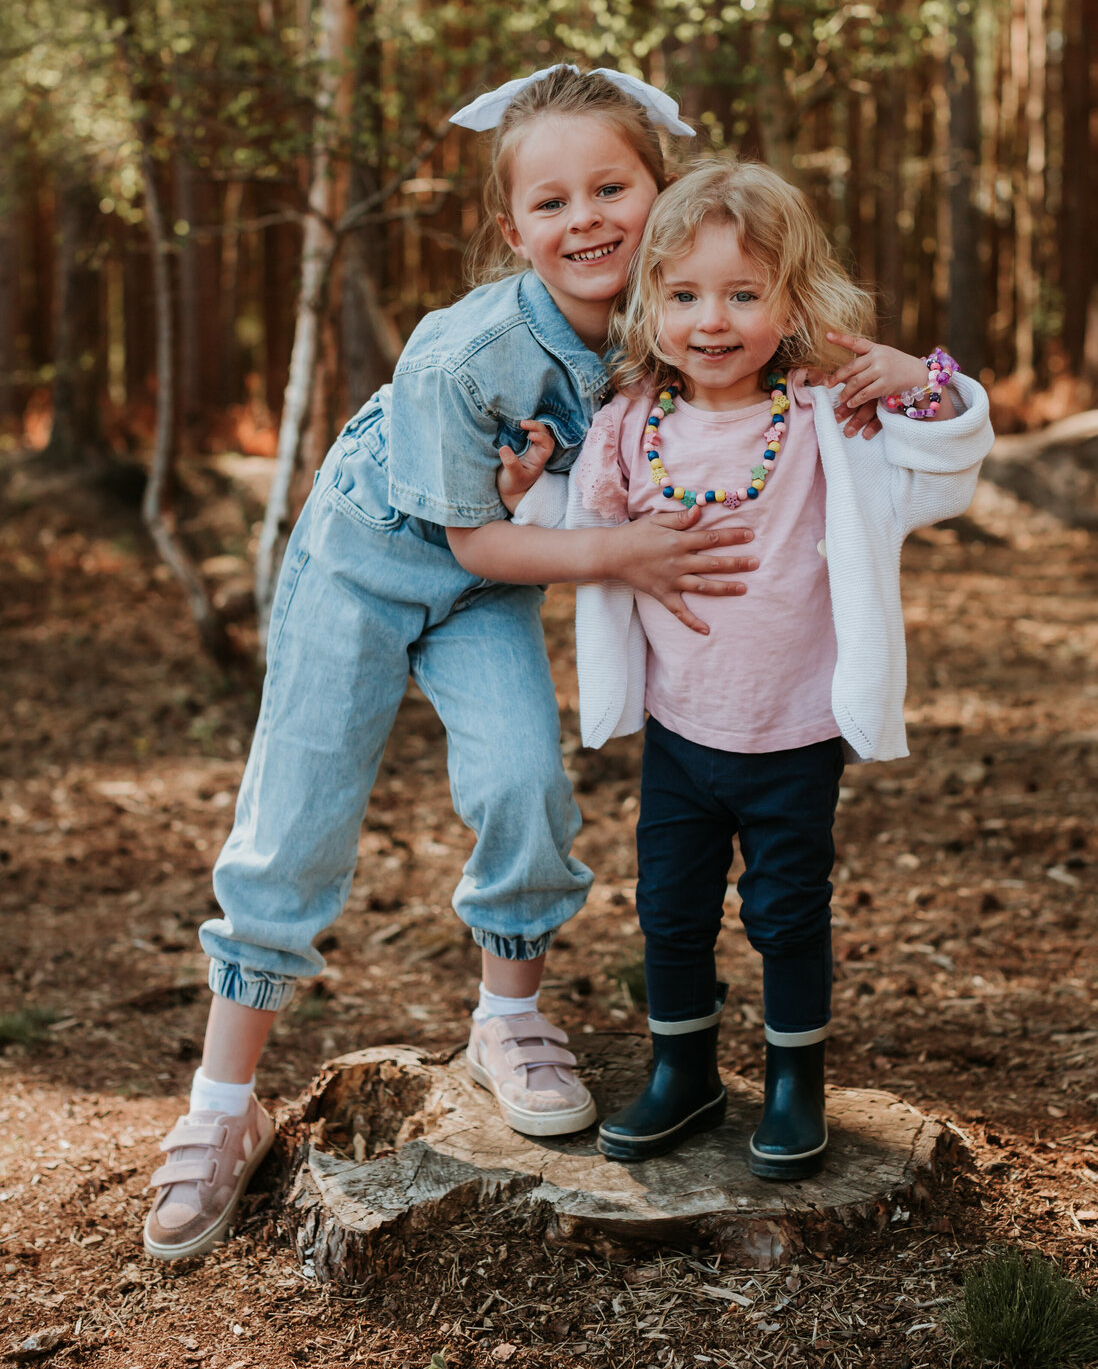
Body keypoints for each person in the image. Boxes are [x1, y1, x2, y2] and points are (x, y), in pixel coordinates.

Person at [143, 65, 773, 1262]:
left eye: (611, 187)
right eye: (551, 202)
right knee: (297, 823)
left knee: (524, 783)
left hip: (488, 592)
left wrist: (908, 376)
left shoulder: (673, 312)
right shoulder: (463, 354)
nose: (584, 218)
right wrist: (621, 553)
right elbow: (472, 531)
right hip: (366, 569)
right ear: (511, 227)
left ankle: (508, 1018)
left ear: (663, 191)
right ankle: (222, 1108)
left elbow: (788, 328)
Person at [499, 158, 993, 1181]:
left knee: (785, 910)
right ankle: (685, 1072)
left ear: (793, 299)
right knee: (669, 908)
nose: (710, 320)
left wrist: (927, 381)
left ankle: (793, 1084)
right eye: (683, 295)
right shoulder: (633, 421)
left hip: (795, 729)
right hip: (683, 727)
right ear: (651, 302)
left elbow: (944, 473)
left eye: (742, 292)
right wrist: (526, 495)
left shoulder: (829, 421)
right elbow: (582, 527)